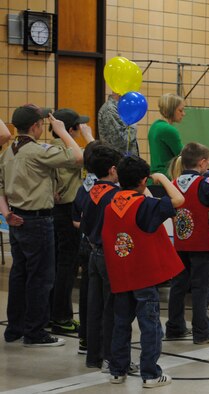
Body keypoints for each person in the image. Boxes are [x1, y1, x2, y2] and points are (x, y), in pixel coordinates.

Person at [0, 105, 82, 347]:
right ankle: (35, 333)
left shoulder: (8, 153)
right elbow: (77, 156)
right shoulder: (37, 151)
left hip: (16, 220)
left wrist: (6, 214)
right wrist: (61, 131)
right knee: (41, 278)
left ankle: (14, 328)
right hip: (38, 220)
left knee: (19, 275)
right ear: (35, 126)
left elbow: (1, 187)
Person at [102, 155, 184, 388]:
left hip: (120, 271)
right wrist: (162, 178)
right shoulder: (145, 205)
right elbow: (178, 199)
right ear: (144, 180)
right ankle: (150, 373)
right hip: (143, 275)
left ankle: (117, 370)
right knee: (150, 325)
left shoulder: (111, 204)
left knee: (121, 323)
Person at [165, 142, 209, 344]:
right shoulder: (205, 183)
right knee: (201, 288)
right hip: (202, 244)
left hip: (181, 242)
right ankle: (201, 331)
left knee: (179, 286)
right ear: (203, 163)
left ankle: (175, 327)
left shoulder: (175, 182)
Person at [75, 144, 124, 370]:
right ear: (113, 170)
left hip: (92, 250)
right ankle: (112, 356)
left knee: (94, 306)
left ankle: (93, 356)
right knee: (112, 307)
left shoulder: (90, 190)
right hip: (108, 255)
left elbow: (80, 220)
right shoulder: (115, 195)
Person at [50, 109, 95, 335]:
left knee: (56, 264)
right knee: (67, 267)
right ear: (70, 130)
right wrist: (89, 137)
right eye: (79, 126)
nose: (82, 129)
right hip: (68, 212)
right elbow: (99, 157)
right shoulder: (71, 152)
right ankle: (62, 317)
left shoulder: (48, 148)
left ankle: (51, 315)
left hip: (52, 211)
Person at [72, 140, 104, 354]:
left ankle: (85, 339)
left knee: (87, 294)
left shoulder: (83, 187)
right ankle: (98, 342)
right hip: (98, 246)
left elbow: (75, 220)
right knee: (101, 296)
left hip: (85, 243)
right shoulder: (105, 190)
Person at [148, 94, 185, 180]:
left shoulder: (155, 126)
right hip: (166, 178)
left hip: (154, 177)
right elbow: (183, 155)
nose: (183, 114)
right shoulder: (168, 129)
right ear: (171, 110)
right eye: (180, 110)